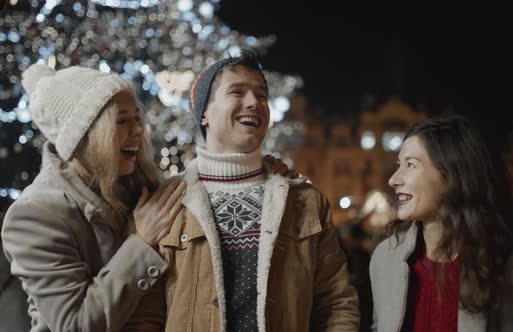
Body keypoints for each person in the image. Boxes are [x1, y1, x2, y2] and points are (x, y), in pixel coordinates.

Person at [152, 49, 359, 331]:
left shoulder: (306, 202)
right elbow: (145, 314)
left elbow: (337, 304)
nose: (254, 102)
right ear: (205, 115)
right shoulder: (168, 201)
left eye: (262, 96)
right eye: (237, 92)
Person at [1, 64, 185, 332]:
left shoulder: (137, 184)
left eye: (137, 117)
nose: (138, 131)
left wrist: (262, 169)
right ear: (84, 135)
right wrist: (141, 245)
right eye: (121, 120)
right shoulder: (35, 214)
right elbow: (76, 324)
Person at [369, 115, 513, 332]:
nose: (393, 179)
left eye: (410, 165)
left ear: (453, 176)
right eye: (399, 164)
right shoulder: (385, 259)